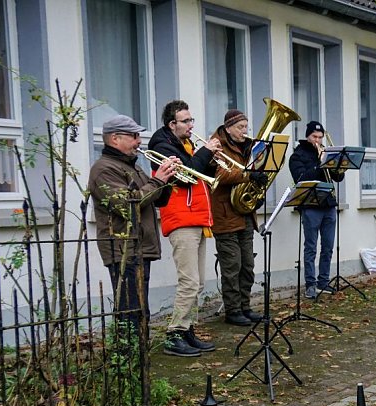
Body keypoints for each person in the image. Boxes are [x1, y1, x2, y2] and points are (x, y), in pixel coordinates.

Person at [88, 115, 176, 330]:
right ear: (115, 139)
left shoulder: (130, 166)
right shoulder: (104, 169)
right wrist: (158, 181)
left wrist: (170, 178)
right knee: (130, 311)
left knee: (140, 310)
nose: (139, 141)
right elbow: (128, 206)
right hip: (123, 248)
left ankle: (138, 355)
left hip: (138, 246)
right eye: (134, 136)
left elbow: (157, 200)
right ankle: (129, 357)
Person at [149, 99, 221, 357]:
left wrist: (212, 158)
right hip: (181, 219)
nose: (191, 125)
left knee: (199, 282)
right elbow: (187, 173)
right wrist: (206, 152)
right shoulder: (162, 145)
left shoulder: (185, 144)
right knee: (189, 281)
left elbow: (200, 171)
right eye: (186, 121)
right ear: (172, 124)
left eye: (192, 120)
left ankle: (188, 328)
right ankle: (174, 334)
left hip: (198, 218)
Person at [209, 109, 269, 326]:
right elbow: (219, 174)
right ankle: (232, 311)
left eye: (246, 127)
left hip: (244, 214)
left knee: (248, 265)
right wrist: (248, 175)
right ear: (228, 128)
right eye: (240, 127)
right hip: (225, 215)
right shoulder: (216, 145)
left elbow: (253, 173)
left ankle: (245, 306)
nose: (245, 131)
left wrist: (257, 192)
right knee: (231, 266)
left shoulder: (248, 147)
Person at [288, 120, 345, 299]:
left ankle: (323, 282)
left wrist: (338, 166)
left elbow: (338, 178)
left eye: (320, 137)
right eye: (315, 137)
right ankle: (310, 285)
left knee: (328, 247)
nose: (318, 140)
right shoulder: (298, 155)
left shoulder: (326, 152)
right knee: (311, 247)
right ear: (308, 136)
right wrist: (319, 164)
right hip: (311, 206)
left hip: (329, 204)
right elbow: (301, 178)